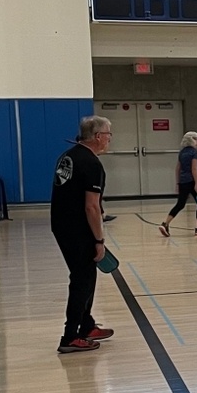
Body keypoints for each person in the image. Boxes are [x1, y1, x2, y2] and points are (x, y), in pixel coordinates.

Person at [50, 116, 116, 353]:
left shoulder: (68, 156)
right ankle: (69, 337)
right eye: (108, 134)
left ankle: (86, 326)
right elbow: (91, 206)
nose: (110, 139)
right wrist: (99, 240)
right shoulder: (91, 163)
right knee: (81, 280)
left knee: (87, 276)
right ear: (98, 137)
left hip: (63, 226)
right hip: (78, 230)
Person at [159, 132, 197, 237]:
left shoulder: (182, 152)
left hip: (183, 181)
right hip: (192, 181)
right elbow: (194, 168)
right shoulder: (194, 152)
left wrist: (178, 183)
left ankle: (166, 223)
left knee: (180, 204)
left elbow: (178, 168)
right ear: (193, 140)